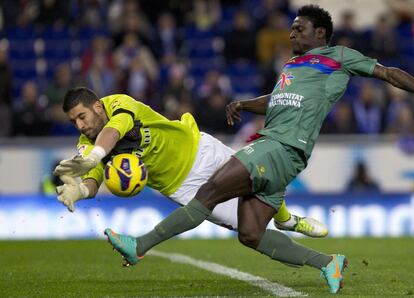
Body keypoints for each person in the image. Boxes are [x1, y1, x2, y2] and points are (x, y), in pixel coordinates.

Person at [57, 4, 414, 293]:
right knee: (250, 234)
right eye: (290, 27)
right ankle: (327, 262)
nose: (291, 33)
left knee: (212, 191)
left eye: (298, 27)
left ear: (319, 33)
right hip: (270, 145)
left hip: (281, 146)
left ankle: (141, 245)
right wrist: (244, 104)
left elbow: (386, 72)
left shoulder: (338, 55)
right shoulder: (291, 65)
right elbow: (277, 101)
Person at [53, 87, 327, 237]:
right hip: (182, 186)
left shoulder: (119, 104)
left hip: (199, 148)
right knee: (247, 228)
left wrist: (94, 156)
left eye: (81, 116)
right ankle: (299, 244)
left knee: (257, 178)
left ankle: (288, 220)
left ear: (98, 107)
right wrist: (82, 190)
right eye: (73, 121)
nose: (79, 125)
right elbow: (95, 175)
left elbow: (114, 131)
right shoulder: (86, 143)